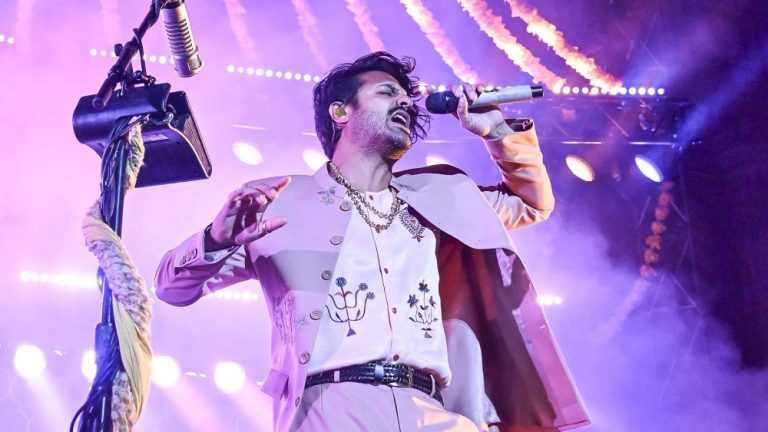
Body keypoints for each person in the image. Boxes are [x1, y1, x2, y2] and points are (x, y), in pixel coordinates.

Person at [155, 52, 589, 431]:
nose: (405, 101)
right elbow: (170, 288)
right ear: (340, 113)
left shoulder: (441, 196)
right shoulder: (278, 198)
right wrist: (215, 238)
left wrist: (496, 131)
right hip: (332, 405)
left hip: (434, 408)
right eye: (387, 92)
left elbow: (532, 203)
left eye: (406, 96)